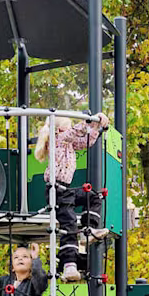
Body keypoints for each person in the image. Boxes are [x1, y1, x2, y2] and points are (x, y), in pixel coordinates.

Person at [34, 112, 106, 283]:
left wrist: (97, 128)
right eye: (68, 125)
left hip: (65, 189)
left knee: (93, 196)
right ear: (60, 128)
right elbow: (75, 132)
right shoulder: (57, 139)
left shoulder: (68, 143)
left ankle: (89, 230)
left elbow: (85, 142)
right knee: (69, 222)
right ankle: (69, 264)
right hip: (55, 190)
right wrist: (92, 120)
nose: (70, 128)